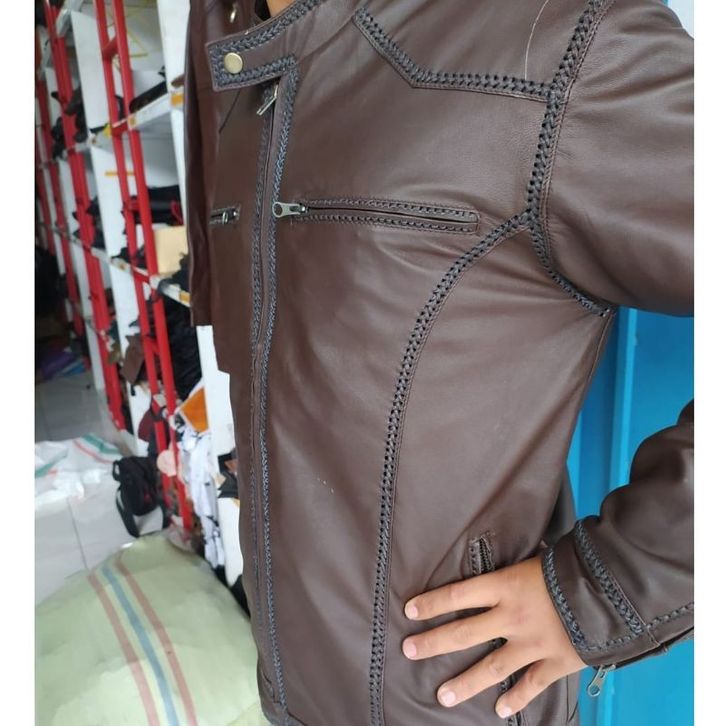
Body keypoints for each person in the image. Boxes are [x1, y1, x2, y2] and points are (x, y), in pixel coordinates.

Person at [184, 1, 693, 723]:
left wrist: (605, 591)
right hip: (294, 696)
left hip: (458, 703)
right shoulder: (241, 57)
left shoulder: (554, 43)